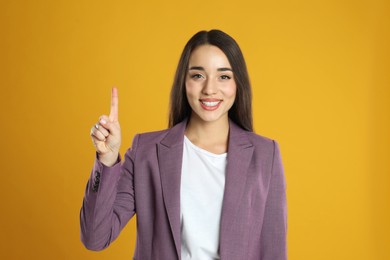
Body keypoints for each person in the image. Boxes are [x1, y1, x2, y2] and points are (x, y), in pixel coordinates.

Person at [80, 29, 287, 260]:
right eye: (198, 75)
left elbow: (274, 251)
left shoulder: (265, 155)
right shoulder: (146, 152)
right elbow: (95, 238)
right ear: (183, 81)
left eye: (224, 76)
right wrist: (107, 160)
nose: (210, 89)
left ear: (238, 84)